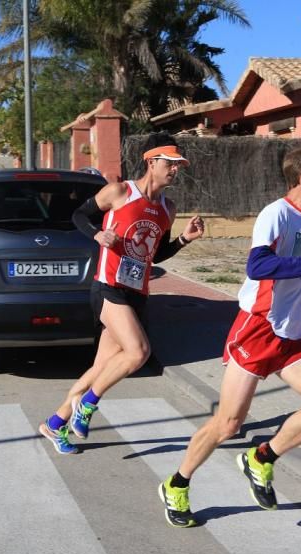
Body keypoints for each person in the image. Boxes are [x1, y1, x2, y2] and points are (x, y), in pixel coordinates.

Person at [158, 145, 301, 527]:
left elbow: (291, 275)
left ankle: (261, 458)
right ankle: (177, 484)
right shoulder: (276, 213)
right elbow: (259, 264)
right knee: (228, 424)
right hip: (257, 329)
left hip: (289, 333)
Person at [38, 134, 206, 454]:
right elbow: (79, 216)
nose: (174, 170)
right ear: (151, 161)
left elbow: (155, 255)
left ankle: (56, 423)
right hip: (108, 287)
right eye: (169, 163)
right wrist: (97, 233)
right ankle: (88, 406)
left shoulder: (168, 209)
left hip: (136, 293)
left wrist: (185, 239)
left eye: (178, 165)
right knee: (139, 352)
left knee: (101, 369)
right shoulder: (119, 192)